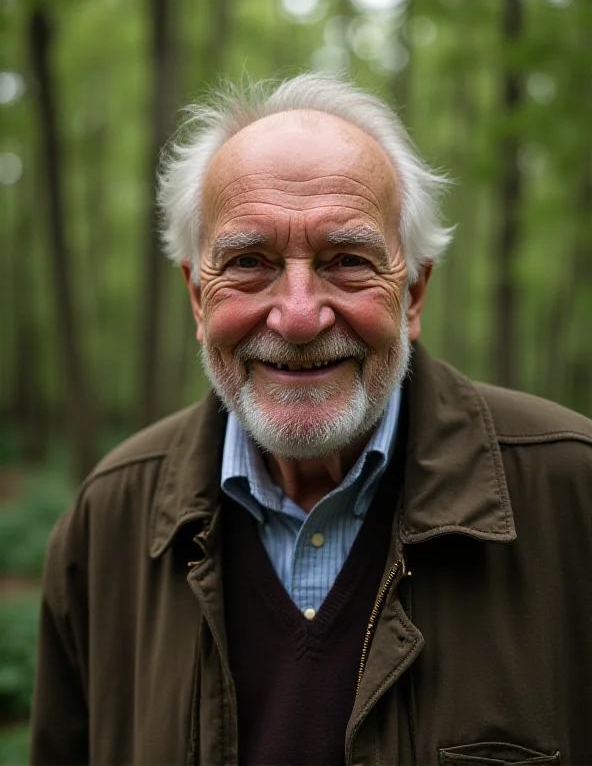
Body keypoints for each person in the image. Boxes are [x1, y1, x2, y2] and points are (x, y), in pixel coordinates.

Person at [31, 74, 592, 766]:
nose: (298, 317)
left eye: (348, 261)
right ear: (197, 297)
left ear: (413, 293)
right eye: (249, 263)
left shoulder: (573, 492)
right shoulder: (107, 523)